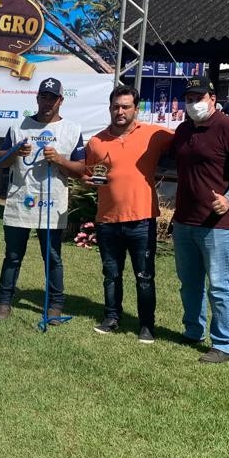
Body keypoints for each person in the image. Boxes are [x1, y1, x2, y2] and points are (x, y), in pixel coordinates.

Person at [57, 85, 174, 343]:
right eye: (115, 107)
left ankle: (146, 326)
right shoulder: (97, 141)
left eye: (125, 106)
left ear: (136, 108)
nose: (120, 111)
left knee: (144, 276)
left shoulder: (156, 134)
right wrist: (88, 180)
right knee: (111, 274)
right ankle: (111, 317)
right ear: (110, 108)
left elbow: (186, 145)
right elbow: (87, 172)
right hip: (108, 220)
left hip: (142, 219)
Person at [171, 75, 229, 363]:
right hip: (184, 221)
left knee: (220, 285)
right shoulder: (183, 130)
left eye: (199, 98)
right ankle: (193, 331)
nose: (193, 103)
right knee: (189, 282)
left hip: (217, 224)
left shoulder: (228, 127)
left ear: (212, 99)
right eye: (189, 99)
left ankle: (223, 344)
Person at [0, 77, 84, 322]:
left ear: (61, 100)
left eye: (52, 98)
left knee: (52, 256)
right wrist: (13, 152)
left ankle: (55, 304)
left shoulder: (72, 130)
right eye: (43, 96)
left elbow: (80, 169)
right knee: (13, 254)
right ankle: (3, 301)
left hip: (52, 202)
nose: (47, 102)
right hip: (20, 199)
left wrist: (61, 160)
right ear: (37, 98)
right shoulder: (19, 126)